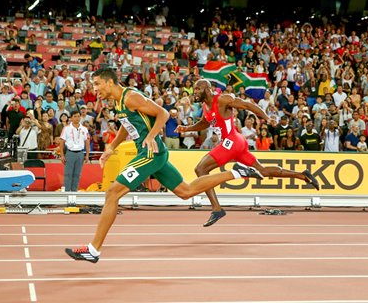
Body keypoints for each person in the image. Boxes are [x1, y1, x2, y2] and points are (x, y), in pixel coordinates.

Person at [65, 68, 264, 263]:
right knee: (186, 191)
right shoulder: (117, 103)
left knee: (112, 193)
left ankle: (93, 249)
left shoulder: (130, 97)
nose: (95, 88)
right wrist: (112, 147)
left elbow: (163, 114)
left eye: (97, 84)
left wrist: (151, 137)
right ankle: (236, 172)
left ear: (109, 82)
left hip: (150, 153)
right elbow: (127, 127)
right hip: (154, 153)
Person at [175, 79, 320, 227]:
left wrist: (266, 118)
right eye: (194, 89)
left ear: (206, 89)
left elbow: (248, 105)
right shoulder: (205, 106)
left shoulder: (223, 99)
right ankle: (302, 175)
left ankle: (217, 208)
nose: (195, 92)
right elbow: (205, 122)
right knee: (262, 171)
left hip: (231, 141)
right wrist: (187, 129)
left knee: (201, 169)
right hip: (237, 142)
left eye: (197, 89)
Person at [59, 111, 90, 192]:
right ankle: (67, 192)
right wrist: (62, 155)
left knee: (77, 174)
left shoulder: (84, 129)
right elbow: (61, 142)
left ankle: (74, 192)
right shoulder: (66, 128)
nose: (77, 118)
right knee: (68, 174)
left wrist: (87, 155)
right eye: (75, 116)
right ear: (71, 118)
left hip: (80, 153)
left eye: (78, 116)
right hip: (70, 153)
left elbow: (87, 142)